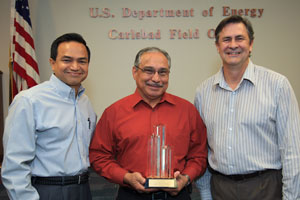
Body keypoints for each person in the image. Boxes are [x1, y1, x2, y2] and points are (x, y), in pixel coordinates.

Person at [195, 15, 300, 200]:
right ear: (218, 47)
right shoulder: (203, 92)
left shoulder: (278, 85)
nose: (233, 45)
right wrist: (205, 195)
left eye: (240, 38)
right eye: (226, 39)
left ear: (251, 44)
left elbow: (292, 151)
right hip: (220, 189)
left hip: (266, 188)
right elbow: (202, 151)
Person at [89, 47, 207, 200]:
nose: (156, 79)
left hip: (178, 195)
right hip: (131, 195)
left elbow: (199, 155)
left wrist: (185, 177)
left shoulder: (187, 111)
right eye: (149, 71)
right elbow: (99, 156)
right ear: (134, 72)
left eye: (162, 72)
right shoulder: (114, 113)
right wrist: (126, 177)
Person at [1, 33, 97, 200]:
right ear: (52, 63)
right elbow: (14, 166)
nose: (75, 67)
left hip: (83, 189)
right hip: (46, 191)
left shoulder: (85, 103)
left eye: (82, 61)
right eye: (67, 60)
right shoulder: (29, 101)